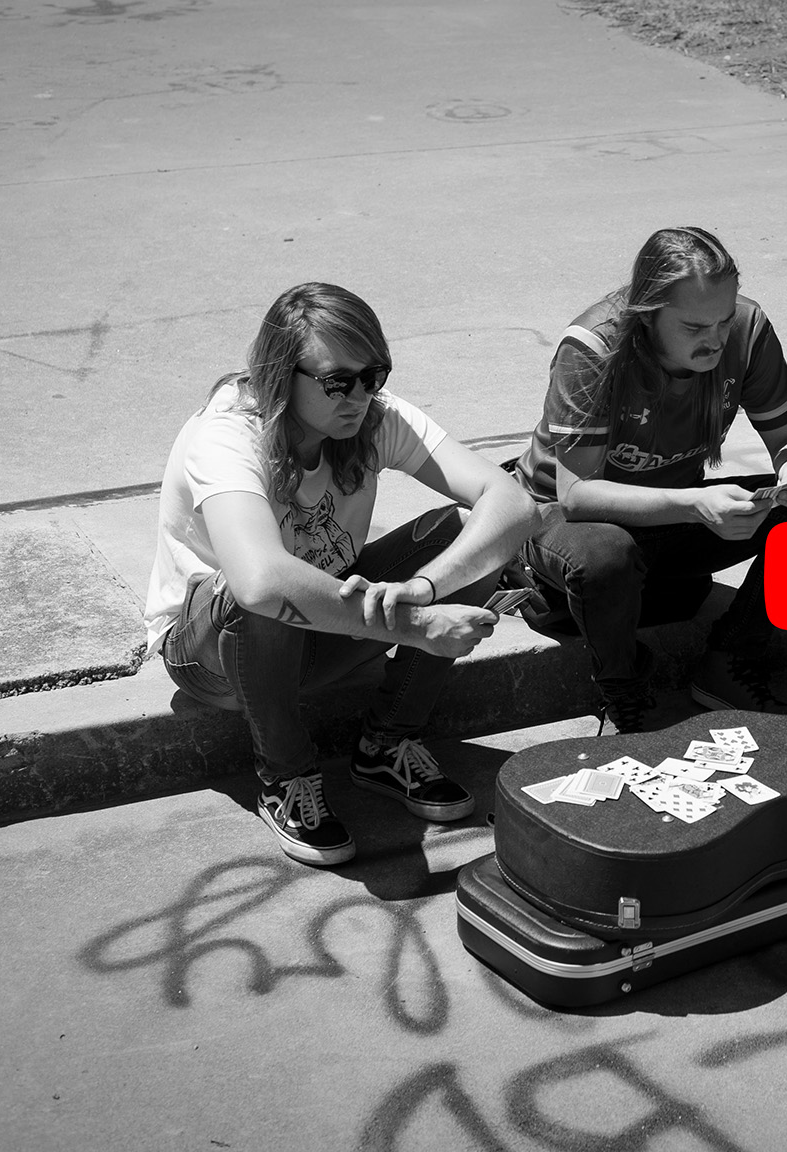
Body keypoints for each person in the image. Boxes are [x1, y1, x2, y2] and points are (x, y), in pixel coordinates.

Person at [146, 282, 545, 866]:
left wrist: (425, 588)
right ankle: (285, 777)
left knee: (468, 534)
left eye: (373, 375)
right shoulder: (227, 435)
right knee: (252, 590)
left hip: (323, 631)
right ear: (282, 374)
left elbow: (512, 504)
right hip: (213, 654)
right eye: (338, 382)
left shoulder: (372, 417)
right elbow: (260, 582)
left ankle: (387, 744)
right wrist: (416, 626)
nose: (360, 395)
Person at [511, 226, 787, 732]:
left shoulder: (747, 329)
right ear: (647, 314)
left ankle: (730, 659)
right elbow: (576, 496)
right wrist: (694, 505)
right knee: (606, 558)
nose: (716, 339)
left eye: (723, 321)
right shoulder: (593, 347)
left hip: (670, 512)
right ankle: (623, 691)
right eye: (695, 327)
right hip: (563, 520)